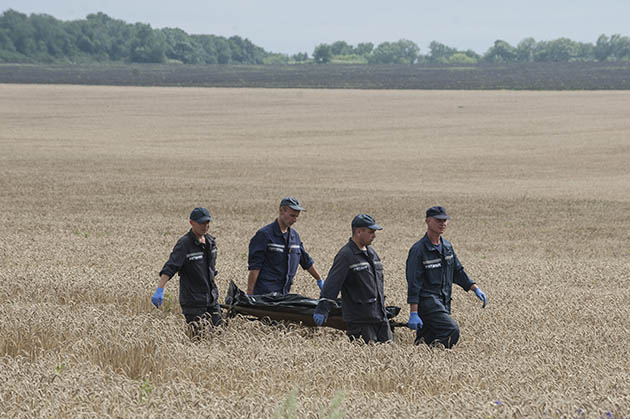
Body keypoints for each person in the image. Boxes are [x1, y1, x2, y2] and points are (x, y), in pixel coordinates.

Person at [406, 206, 487, 348]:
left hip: (444, 300)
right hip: (427, 302)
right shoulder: (418, 250)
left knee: (426, 339)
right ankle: (439, 356)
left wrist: (474, 288)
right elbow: (414, 282)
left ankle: (424, 359)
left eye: (444, 220)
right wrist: (414, 312)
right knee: (451, 329)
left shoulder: (447, 247)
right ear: (427, 221)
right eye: (438, 220)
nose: (442, 223)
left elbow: (457, 271)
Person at [313, 214, 392, 344]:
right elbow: (333, 283)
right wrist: (322, 308)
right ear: (358, 232)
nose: (374, 236)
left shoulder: (372, 254)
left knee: (388, 352)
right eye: (371, 232)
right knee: (366, 355)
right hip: (360, 320)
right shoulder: (346, 255)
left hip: (380, 317)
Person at [152, 207, 222, 336]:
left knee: (219, 334)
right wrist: (160, 289)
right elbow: (171, 267)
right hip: (193, 302)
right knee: (198, 338)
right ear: (191, 223)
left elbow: (210, 270)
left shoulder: (211, 242)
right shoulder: (185, 244)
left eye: (207, 222)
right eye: (201, 223)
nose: (205, 226)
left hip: (212, 299)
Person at [247, 197, 323, 295]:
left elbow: (306, 261)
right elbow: (255, 267)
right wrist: (250, 293)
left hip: (284, 294)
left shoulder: (294, 237)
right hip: (265, 294)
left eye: (296, 217)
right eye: (292, 215)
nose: (294, 220)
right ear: (281, 211)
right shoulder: (264, 235)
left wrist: (319, 280)